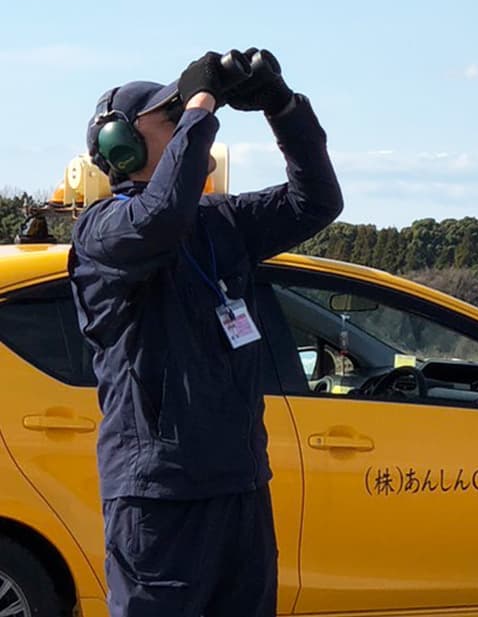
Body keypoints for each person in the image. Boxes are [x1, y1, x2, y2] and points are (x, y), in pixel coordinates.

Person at [68, 49, 344, 617]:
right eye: (165, 117)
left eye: (179, 114)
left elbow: (316, 200)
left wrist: (282, 107)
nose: (183, 120)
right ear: (123, 144)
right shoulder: (102, 233)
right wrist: (199, 104)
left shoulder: (220, 223)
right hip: (158, 497)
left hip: (238, 484)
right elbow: (160, 215)